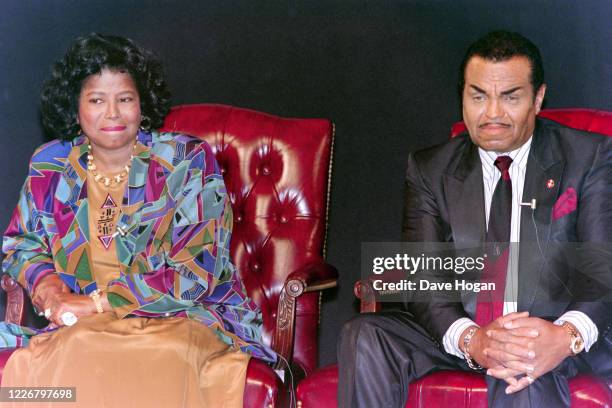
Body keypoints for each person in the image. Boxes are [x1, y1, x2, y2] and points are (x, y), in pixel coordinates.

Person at [338, 30, 612, 407]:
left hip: (553, 334)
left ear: (538, 98)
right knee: (365, 334)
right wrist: (472, 340)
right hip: (465, 329)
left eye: (510, 97)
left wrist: (565, 336)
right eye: (478, 96)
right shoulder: (430, 169)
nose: (493, 114)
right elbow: (424, 276)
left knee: (521, 367)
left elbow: (601, 271)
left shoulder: (588, 158)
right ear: (462, 96)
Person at [1, 33, 276, 407]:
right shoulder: (50, 164)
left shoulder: (185, 160)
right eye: (97, 100)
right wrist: (48, 288)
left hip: (182, 320)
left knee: (128, 356)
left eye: (125, 99)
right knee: (79, 349)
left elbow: (196, 272)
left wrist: (96, 304)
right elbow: (22, 243)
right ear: (75, 107)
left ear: (142, 104)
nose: (112, 113)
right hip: (85, 328)